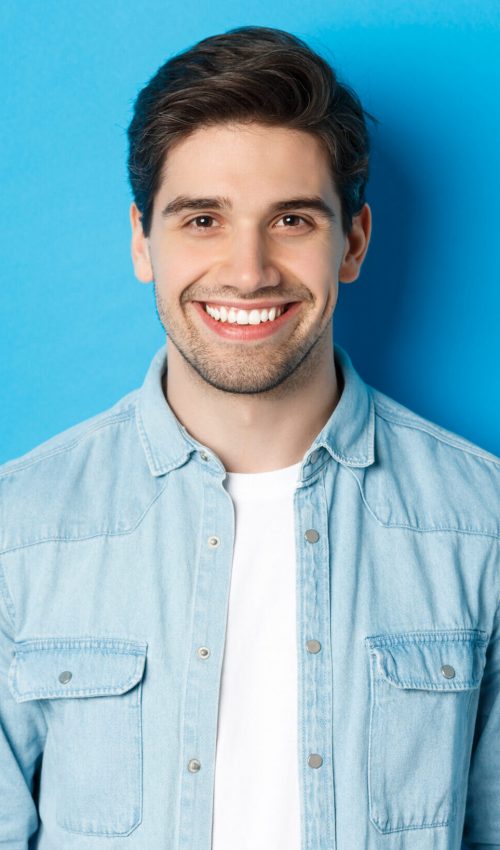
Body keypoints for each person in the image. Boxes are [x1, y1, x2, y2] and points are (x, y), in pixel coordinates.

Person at [0, 24, 498, 850]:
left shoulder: (481, 525)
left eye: (292, 219)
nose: (247, 270)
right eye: (202, 219)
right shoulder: (19, 529)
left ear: (354, 242)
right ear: (141, 241)